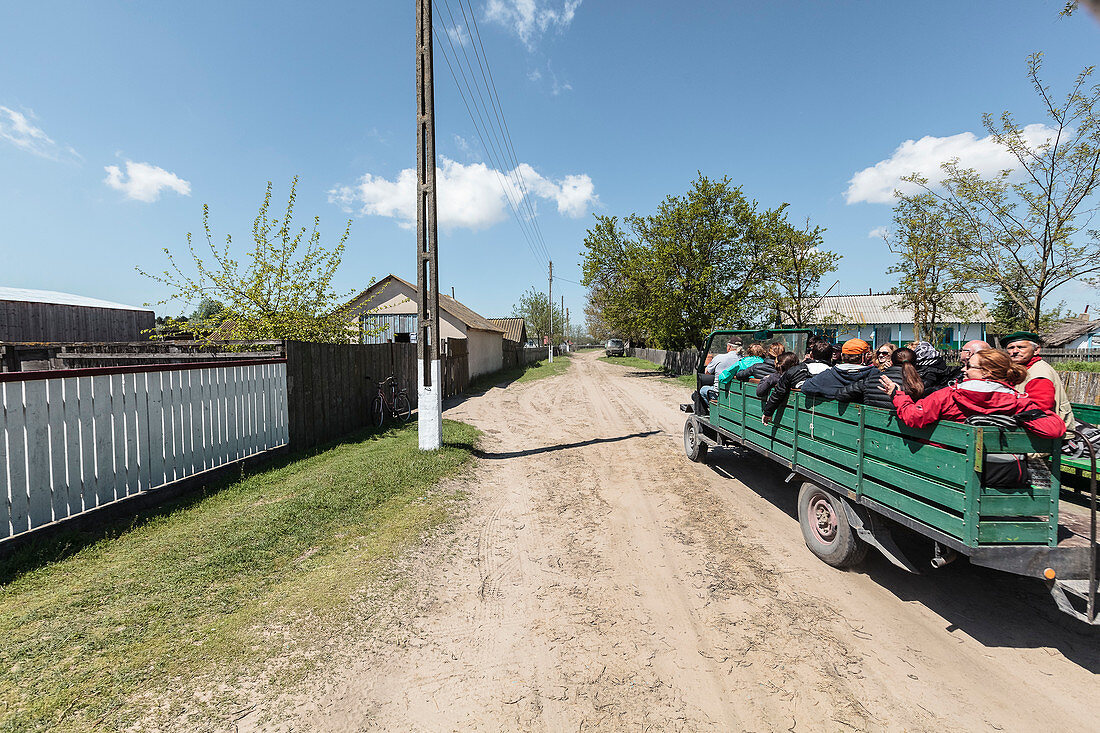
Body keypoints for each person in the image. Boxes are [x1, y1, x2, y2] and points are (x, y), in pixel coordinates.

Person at [879, 348, 1066, 438]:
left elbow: (914, 416)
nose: (963, 370)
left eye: (969, 366)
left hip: (947, 462)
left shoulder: (949, 395)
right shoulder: (1017, 401)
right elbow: (1054, 428)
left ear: (986, 372)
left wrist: (897, 395)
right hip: (997, 469)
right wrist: (1013, 418)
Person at [1003, 331, 1077, 430]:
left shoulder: (1038, 374)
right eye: (1011, 348)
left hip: (1047, 428)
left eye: (1021, 347)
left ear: (1036, 350)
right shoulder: (1021, 369)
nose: (1015, 351)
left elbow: (1038, 409)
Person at [762, 340, 834, 422]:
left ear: (811, 355)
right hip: (829, 419)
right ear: (830, 356)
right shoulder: (835, 372)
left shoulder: (795, 370)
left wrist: (767, 412)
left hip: (797, 417)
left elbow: (779, 391)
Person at [836, 347, 923, 409]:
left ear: (891, 361)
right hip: (905, 432)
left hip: (870, 428)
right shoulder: (919, 384)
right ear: (915, 364)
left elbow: (841, 394)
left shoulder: (871, 379)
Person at [801, 338, 877, 400]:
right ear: (866, 356)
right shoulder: (875, 374)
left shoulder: (829, 374)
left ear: (842, 355)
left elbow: (806, 387)